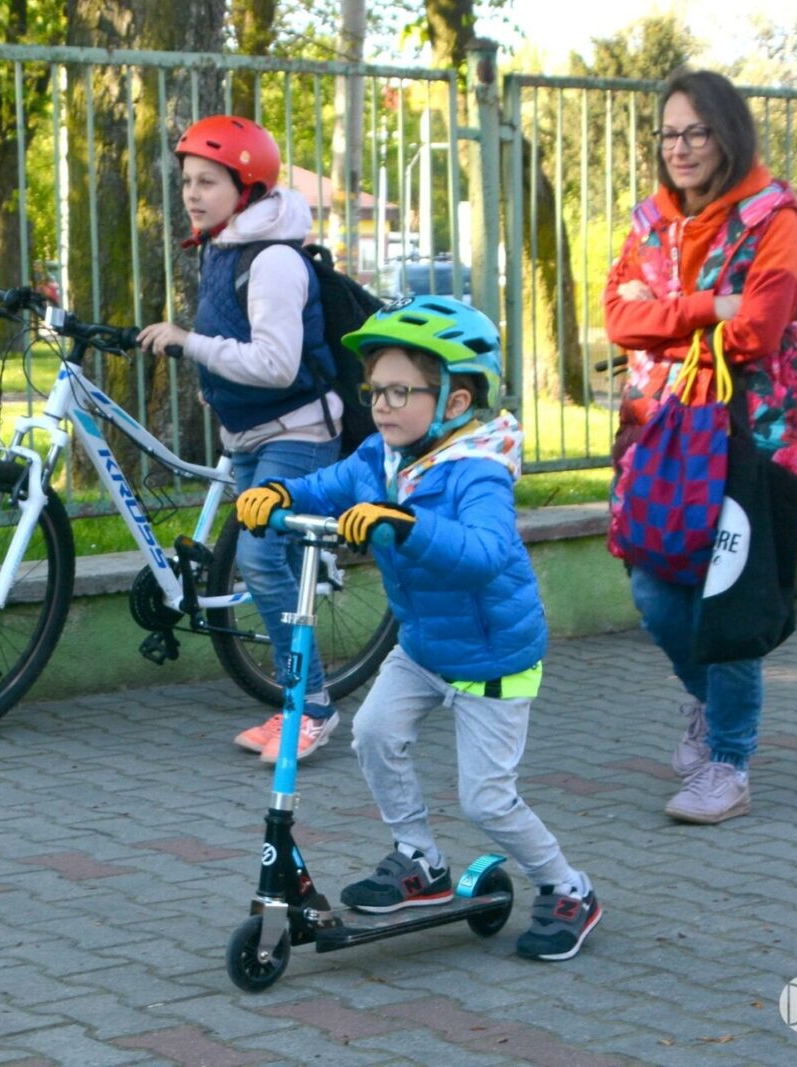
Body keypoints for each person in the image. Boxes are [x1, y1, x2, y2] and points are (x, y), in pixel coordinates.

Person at [234, 296, 601, 962]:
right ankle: (421, 860)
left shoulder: (478, 471)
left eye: (401, 392)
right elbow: (330, 484)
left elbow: (486, 552)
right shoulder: (382, 455)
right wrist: (283, 495)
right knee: (374, 734)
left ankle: (567, 887)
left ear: (455, 401)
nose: (382, 405)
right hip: (424, 646)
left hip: (491, 656)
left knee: (486, 801)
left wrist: (407, 524)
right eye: (375, 390)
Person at [603, 70, 797, 825]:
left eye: (696, 132)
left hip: (749, 433)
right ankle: (709, 702)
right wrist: (711, 304)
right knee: (653, 585)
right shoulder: (651, 223)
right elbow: (617, 320)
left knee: (729, 592)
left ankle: (729, 763)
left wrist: (666, 315)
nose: (679, 148)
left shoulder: (773, 217)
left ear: (727, 135)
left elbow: (758, 331)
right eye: (669, 134)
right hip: (664, 431)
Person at [137, 115, 346, 763]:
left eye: (208, 181)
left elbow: (277, 365)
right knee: (268, 559)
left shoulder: (273, 259)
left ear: (247, 186)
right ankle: (296, 695)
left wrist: (190, 343)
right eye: (187, 182)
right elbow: (241, 348)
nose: (192, 194)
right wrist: (215, 383)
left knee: (258, 559)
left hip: (299, 431)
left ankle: (312, 707)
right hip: (252, 432)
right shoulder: (224, 247)